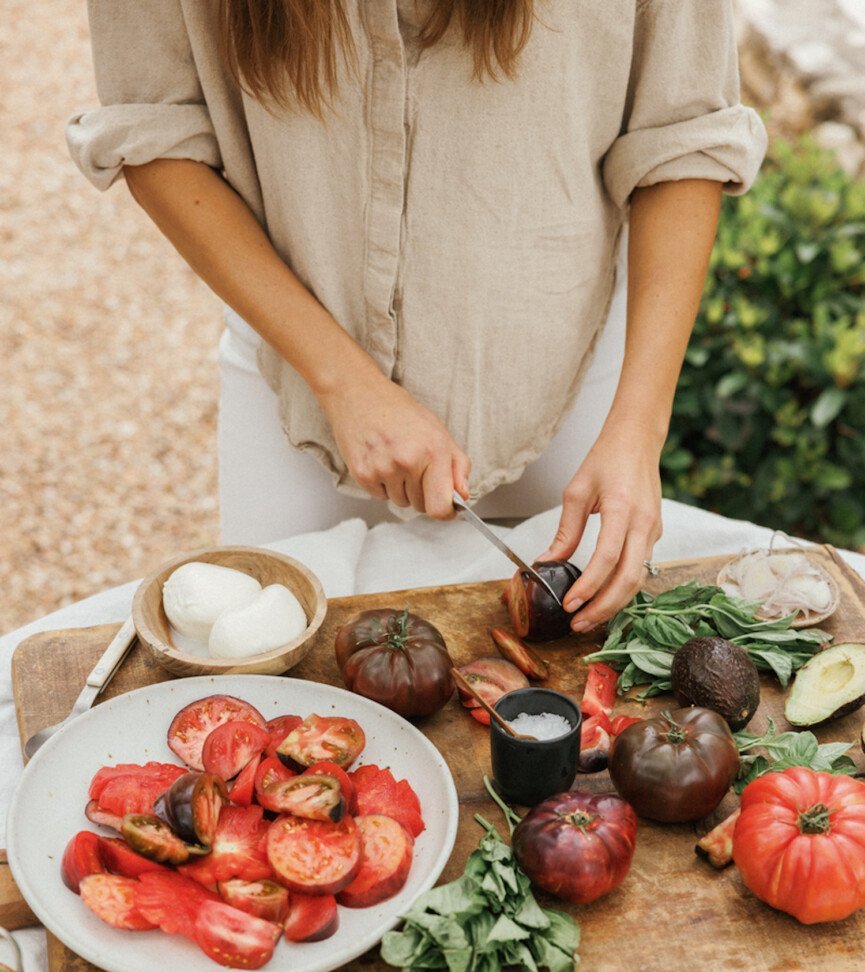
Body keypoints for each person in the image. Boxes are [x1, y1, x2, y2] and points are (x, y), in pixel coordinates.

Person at [67, 1, 766, 631]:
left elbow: (682, 137)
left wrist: (637, 433)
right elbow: (156, 129)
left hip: (572, 390)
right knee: (273, 675)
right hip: (295, 390)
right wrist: (344, 384)